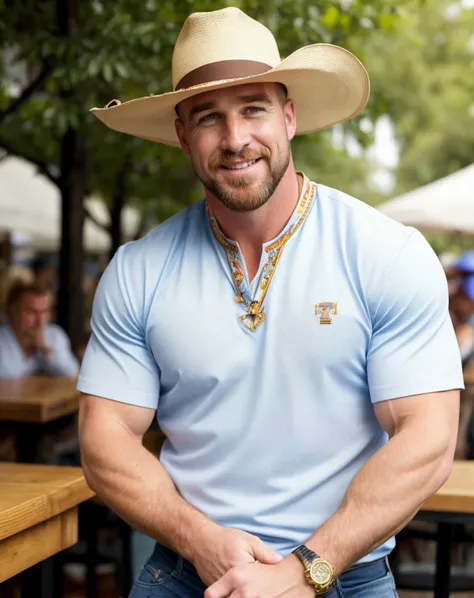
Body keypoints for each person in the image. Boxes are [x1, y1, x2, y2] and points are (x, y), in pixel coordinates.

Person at [78, 7, 463, 598]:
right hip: (187, 571)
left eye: (253, 108)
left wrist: (306, 567)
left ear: (289, 115)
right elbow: (103, 439)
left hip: (345, 575)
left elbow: (429, 437)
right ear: (183, 134)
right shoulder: (138, 270)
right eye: (209, 118)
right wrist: (198, 538)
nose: (235, 140)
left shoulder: (386, 253)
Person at [0, 281, 79, 379]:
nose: (40, 321)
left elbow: (72, 374)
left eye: (44, 312)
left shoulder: (54, 335)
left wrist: (46, 350)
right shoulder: (2, 340)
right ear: (13, 311)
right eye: (31, 312)